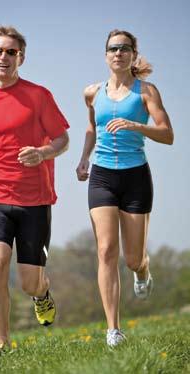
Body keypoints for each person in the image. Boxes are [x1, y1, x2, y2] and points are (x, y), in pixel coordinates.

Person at [0, 25, 69, 350]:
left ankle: (42, 294)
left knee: (29, 283)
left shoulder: (39, 96)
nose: (3, 57)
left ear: (21, 56)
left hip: (34, 198)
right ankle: (4, 344)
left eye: (10, 51)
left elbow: (62, 139)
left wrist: (43, 152)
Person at [76, 29, 173, 347]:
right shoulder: (92, 92)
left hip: (135, 178)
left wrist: (136, 125)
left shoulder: (146, 91)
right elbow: (93, 126)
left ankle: (142, 270)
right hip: (102, 175)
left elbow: (167, 134)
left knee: (132, 258)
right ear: (106, 55)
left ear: (133, 55)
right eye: (113, 48)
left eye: (125, 48)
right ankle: (113, 329)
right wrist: (83, 158)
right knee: (105, 251)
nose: (118, 53)